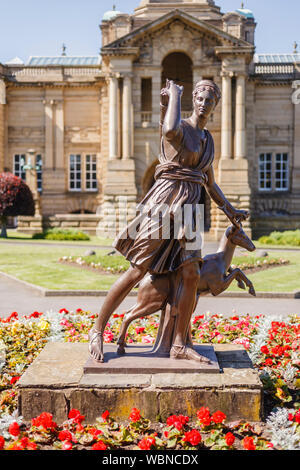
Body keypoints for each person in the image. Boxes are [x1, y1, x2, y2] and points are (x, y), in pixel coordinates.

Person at [89, 79, 249, 363]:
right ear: (192, 100)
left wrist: (230, 210)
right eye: (198, 98)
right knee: (138, 271)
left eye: (209, 100)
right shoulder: (177, 126)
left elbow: (210, 184)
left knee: (192, 274)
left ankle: (179, 344)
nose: (203, 104)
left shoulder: (208, 139)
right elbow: (171, 129)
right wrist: (173, 95)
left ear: (215, 105)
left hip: (190, 212)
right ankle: (98, 330)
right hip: (163, 204)